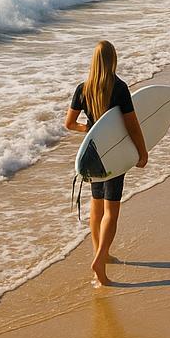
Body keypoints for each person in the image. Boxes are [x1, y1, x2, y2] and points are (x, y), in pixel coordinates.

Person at [64, 40, 148, 287]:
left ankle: (100, 253)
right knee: (111, 210)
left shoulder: (83, 88)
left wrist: (89, 130)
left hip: (93, 156)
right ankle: (100, 259)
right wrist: (142, 152)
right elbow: (132, 124)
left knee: (96, 206)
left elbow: (69, 123)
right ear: (113, 60)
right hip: (113, 155)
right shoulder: (119, 88)